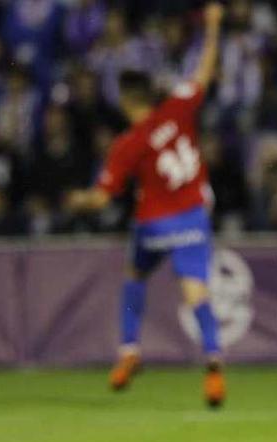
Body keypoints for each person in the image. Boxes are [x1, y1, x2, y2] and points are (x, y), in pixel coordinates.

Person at [66, 3, 226, 408]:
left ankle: (130, 350)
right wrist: (211, 27)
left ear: (125, 102)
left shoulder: (128, 144)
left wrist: (77, 200)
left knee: (135, 275)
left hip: (153, 223)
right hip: (192, 215)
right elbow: (203, 72)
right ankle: (213, 367)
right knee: (196, 292)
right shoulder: (178, 107)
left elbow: (102, 197)